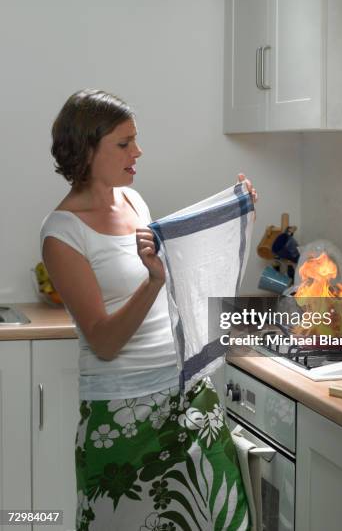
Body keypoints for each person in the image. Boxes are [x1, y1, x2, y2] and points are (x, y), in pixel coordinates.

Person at [40, 89, 258, 531]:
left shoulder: (134, 203)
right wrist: (153, 280)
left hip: (186, 397)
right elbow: (103, 341)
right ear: (86, 150)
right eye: (123, 143)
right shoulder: (61, 233)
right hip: (122, 416)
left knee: (219, 518)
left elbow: (178, 263)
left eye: (135, 140)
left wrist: (235, 212)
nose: (137, 151)